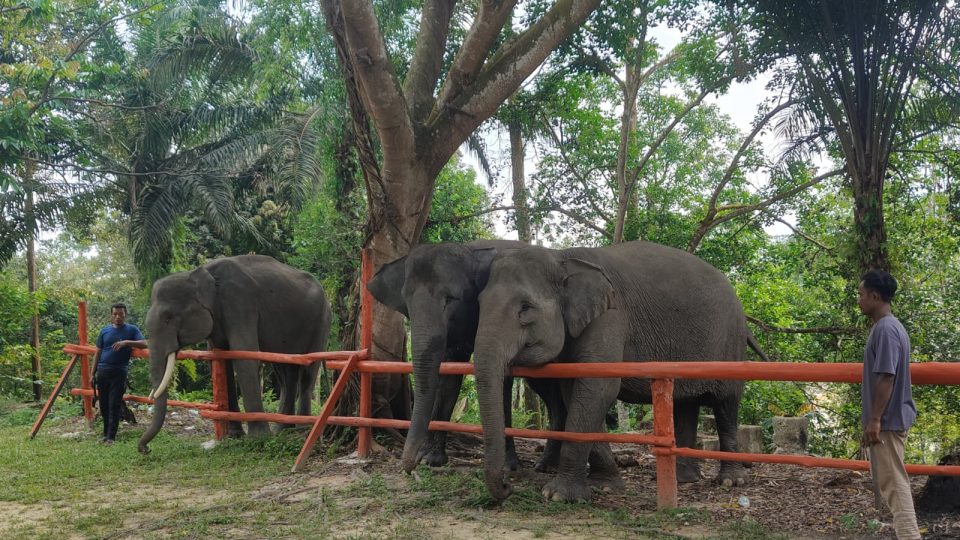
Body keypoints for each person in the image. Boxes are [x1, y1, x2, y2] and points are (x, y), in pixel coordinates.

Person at [857, 270, 920, 540]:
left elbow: (887, 376)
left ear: (874, 296)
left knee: (895, 484)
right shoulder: (888, 327)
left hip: (889, 420)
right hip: (890, 418)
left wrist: (875, 419)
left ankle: (910, 536)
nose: (858, 300)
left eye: (861, 295)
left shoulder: (886, 329)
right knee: (891, 482)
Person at [92, 303, 147, 444]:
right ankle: (105, 434)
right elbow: (98, 352)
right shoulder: (104, 331)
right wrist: (92, 374)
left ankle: (111, 437)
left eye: (120, 314)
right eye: (115, 314)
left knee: (114, 404)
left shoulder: (131, 330)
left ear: (125, 315)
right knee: (103, 405)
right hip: (102, 372)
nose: (118, 317)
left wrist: (126, 343)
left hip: (119, 372)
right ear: (111, 315)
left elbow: (145, 343)